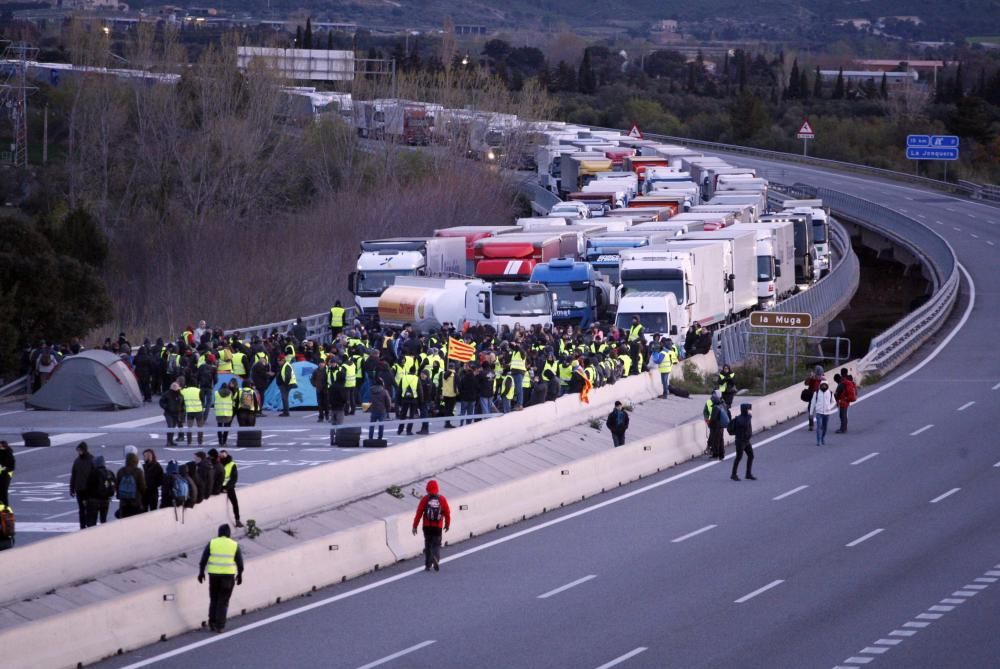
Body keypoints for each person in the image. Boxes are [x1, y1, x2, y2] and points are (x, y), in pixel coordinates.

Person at [198, 524, 244, 633]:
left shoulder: (212, 543)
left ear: (219, 533)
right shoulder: (234, 545)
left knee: (214, 599)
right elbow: (240, 563)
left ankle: (212, 623)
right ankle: (220, 626)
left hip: (213, 576)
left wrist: (201, 573)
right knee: (223, 601)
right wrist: (240, 575)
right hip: (228, 577)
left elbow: (203, 559)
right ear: (229, 533)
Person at [412, 480, 451, 572]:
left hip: (427, 527)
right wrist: (447, 524)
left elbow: (419, 514)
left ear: (427, 489)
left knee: (428, 544)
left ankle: (427, 565)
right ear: (437, 489)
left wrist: (415, 526)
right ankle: (435, 559)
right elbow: (447, 513)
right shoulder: (442, 499)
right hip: (438, 527)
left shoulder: (425, 499)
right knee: (436, 545)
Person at [85, 455, 116, 526]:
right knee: (103, 520)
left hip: (94, 500)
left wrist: (86, 499)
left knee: (92, 522)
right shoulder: (109, 473)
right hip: (106, 500)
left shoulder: (93, 473)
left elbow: (88, 486)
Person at [69, 442, 94, 529]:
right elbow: (73, 475)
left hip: (89, 489)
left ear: (83, 450)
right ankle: (82, 526)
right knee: (82, 509)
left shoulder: (92, 460)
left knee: (89, 508)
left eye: (79, 450)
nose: (78, 452)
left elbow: (96, 475)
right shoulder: (77, 461)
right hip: (80, 489)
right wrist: (72, 488)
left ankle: (89, 524)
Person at [115, 451, 146, 519]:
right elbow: (142, 488)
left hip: (123, 503)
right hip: (136, 502)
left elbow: (117, 486)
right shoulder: (138, 472)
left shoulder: (121, 471)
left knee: (124, 521)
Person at [730, 403, 755, 481]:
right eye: (748, 409)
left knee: (751, 455)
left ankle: (748, 474)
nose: (749, 410)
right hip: (740, 442)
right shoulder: (740, 419)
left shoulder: (746, 417)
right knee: (738, 457)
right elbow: (744, 424)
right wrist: (749, 417)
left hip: (746, 441)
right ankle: (733, 474)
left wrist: (749, 417)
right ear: (745, 410)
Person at [809, 381, 838, 446]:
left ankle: (822, 438)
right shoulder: (816, 393)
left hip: (827, 413)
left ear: (827, 386)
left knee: (825, 428)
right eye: (822, 385)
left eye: (825, 385)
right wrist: (811, 413)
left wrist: (829, 407)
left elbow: (834, 402)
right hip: (818, 412)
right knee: (818, 426)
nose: (824, 386)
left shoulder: (830, 393)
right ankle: (818, 441)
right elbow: (813, 403)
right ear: (820, 385)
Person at [219, 449, 243, 528]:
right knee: (234, 503)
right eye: (221, 455)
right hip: (219, 487)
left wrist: (226, 487)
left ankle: (237, 520)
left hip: (229, 487)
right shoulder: (218, 463)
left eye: (223, 455)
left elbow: (234, 478)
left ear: (226, 455)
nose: (222, 456)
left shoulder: (232, 464)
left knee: (235, 503)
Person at [181, 380, 206, 445]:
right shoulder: (199, 390)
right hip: (199, 411)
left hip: (189, 411)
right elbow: (203, 400)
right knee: (200, 427)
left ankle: (189, 442)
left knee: (189, 427)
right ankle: (200, 442)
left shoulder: (184, 391)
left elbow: (181, 399)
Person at [160, 381, 185, 446]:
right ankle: (169, 441)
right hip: (169, 413)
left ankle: (170, 441)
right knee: (170, 426)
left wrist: (182, 410)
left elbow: (182, 403)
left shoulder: (180, 395)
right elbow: (161, 402)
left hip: (176, 413)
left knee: (172, 427)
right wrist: (166, 407)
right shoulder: (167, 394)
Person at [707, 391, 729, 461]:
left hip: (715, 426)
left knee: (715, 441)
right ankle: (722, 454)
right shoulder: (723, 405)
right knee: (721, 440)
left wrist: (709, 425)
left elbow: (713, 419)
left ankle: (715, 454)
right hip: (721, 426)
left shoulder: (715, 408)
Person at [835, 368, 857, 433]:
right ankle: (845, 427)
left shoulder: (843, 381)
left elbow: (838, 391)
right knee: (845, 413)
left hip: (843, 399)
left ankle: (843, 429)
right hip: (848, 398)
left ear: (841, 373)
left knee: (842, 414)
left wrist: (837, 399)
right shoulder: (849, 379)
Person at [802, 366, 824, 431]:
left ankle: (816, 425)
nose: (819, 375)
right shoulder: (812, 378)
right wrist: (810, 378)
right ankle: (812, 425)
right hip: (813, 396)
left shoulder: (822, 379)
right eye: (818, 374)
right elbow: (806, 383)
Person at [0, 440, 14, 507]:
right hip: (3, 473)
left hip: (5, 474)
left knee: (3, 491)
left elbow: (11, 466)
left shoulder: (8, 453)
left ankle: (5, 507)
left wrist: (4, 470)